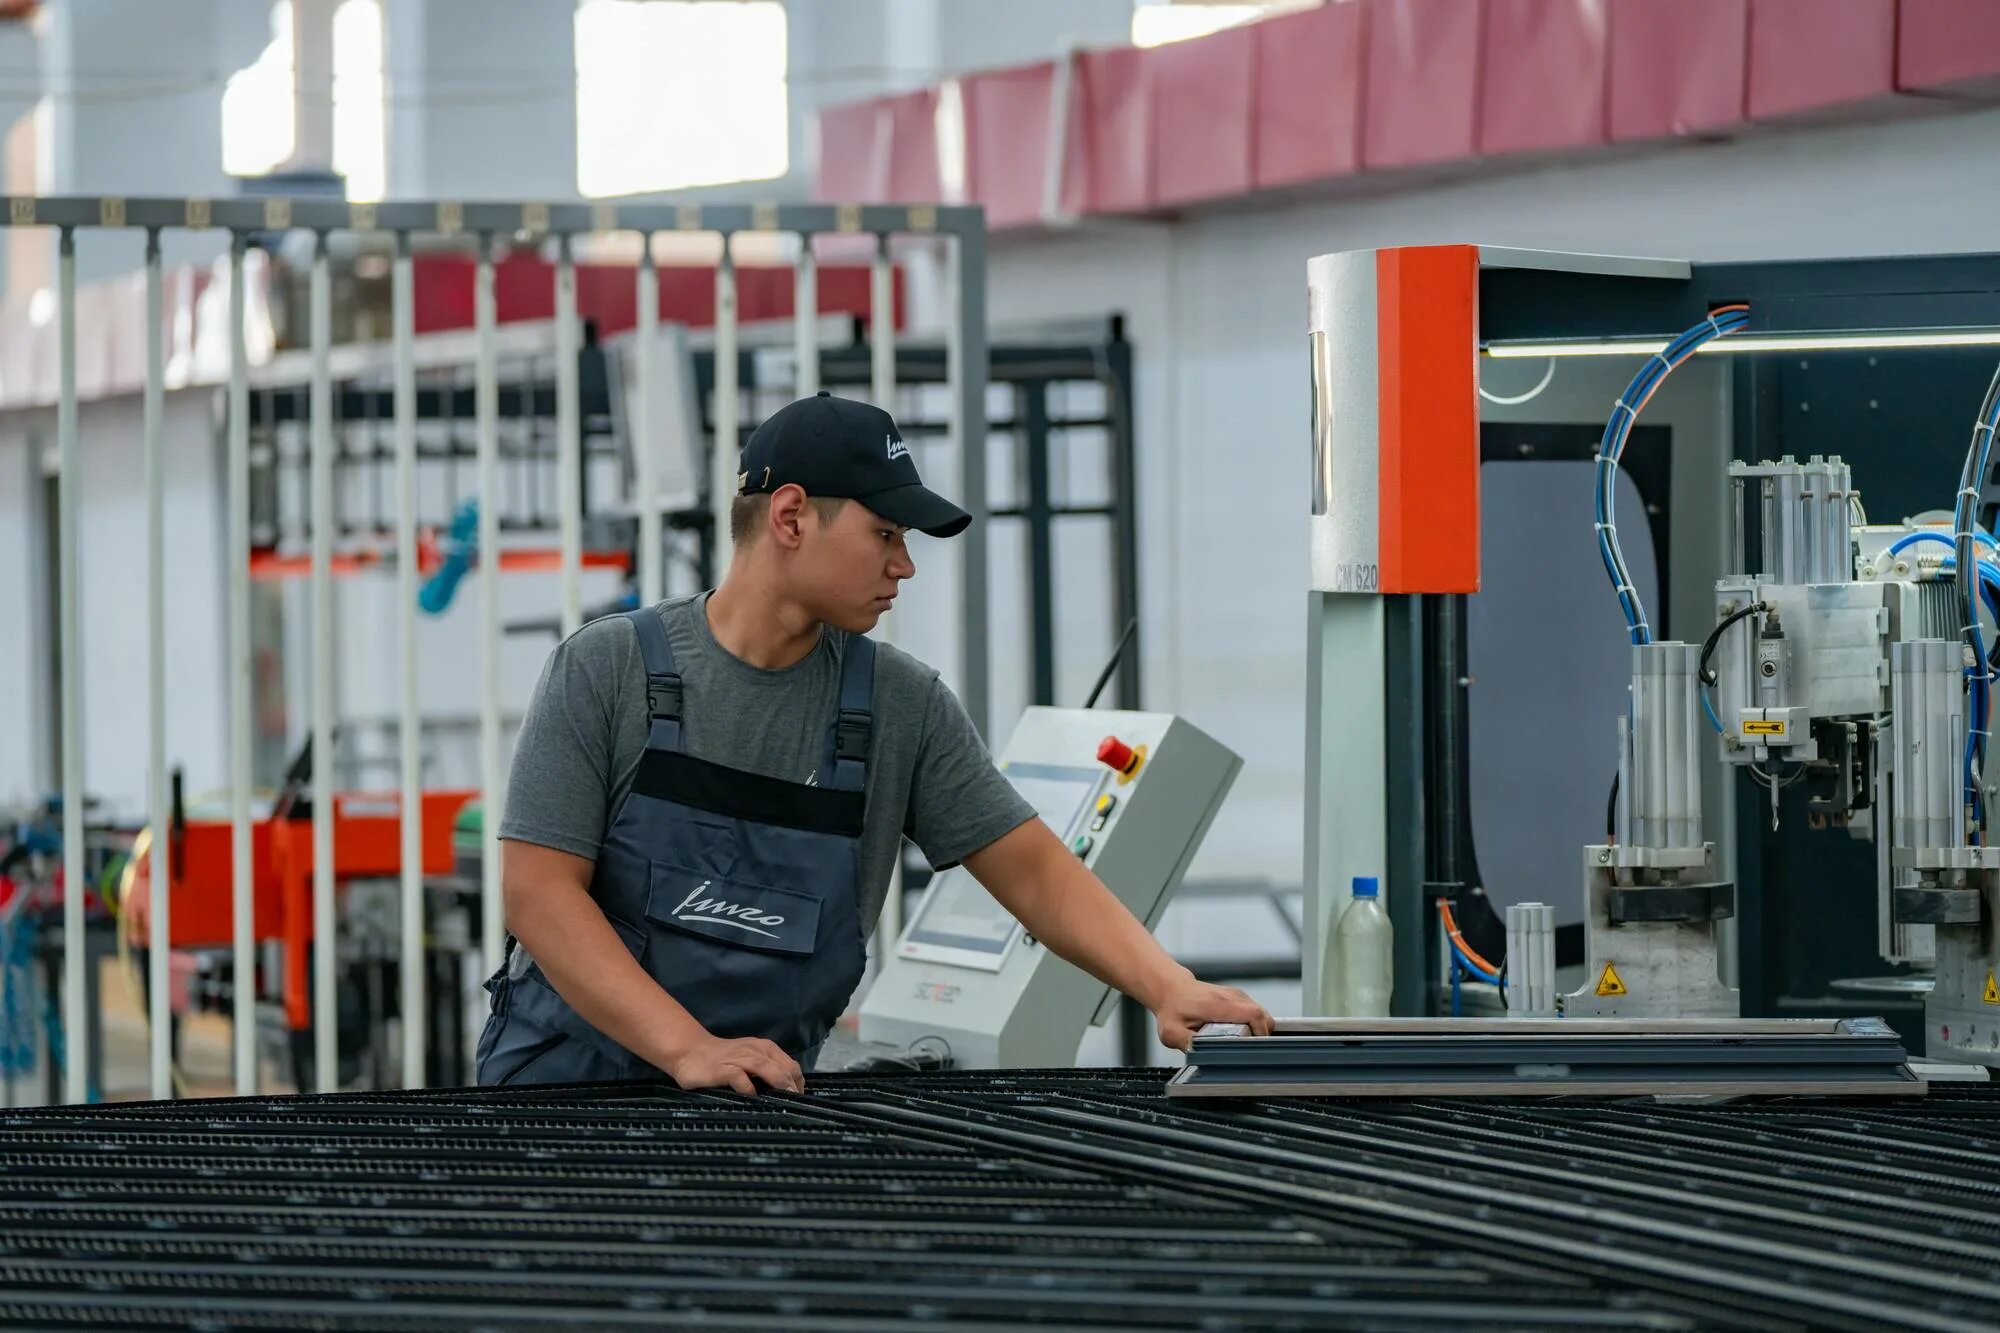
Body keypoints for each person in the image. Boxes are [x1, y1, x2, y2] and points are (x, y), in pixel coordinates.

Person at [475, 392, 1272, 1093]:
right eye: (885, 532)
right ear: (790, 516)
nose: (905, 565)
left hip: (754, 1102)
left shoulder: (899, 704)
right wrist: (688, 1046)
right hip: (564, 1097)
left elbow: (1033, 869)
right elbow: (540, 895)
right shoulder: (607, 670)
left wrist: (1167, 984)